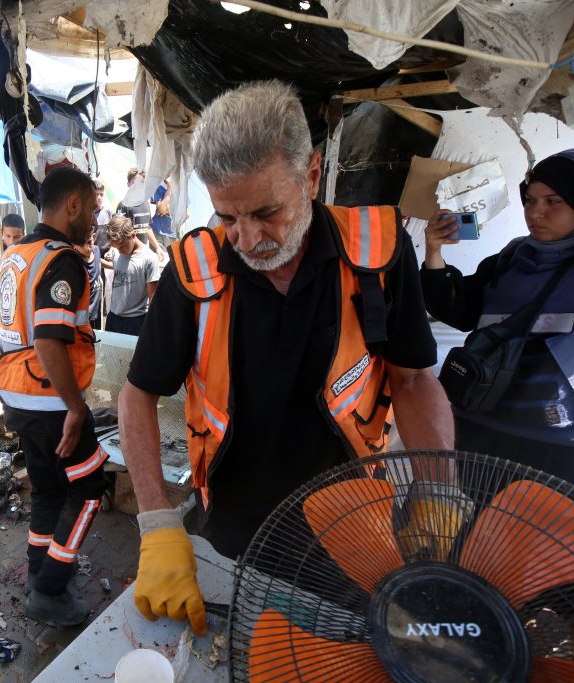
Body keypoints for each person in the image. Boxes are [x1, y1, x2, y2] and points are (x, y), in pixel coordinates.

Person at [117, 80, 454, 635]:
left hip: (355, 518)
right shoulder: (193, 269)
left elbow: (414, 379)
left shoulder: (380, 250)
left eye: (266, 212)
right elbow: (138, 395)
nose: (246, 240)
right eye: (227, 217)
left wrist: (438, 488)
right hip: (231, 524)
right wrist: (156, 523)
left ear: (313, 175)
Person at [421, 0, 574, 504]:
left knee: (554, 572)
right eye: (531, 200)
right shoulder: (514, 257)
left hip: (572, 451)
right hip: (484, 434)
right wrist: (433, 255)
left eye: (555, 202)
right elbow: (462, 310)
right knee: (480, 562)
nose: (537, 213)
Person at [0, 166, 109, 625]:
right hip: (51, 402)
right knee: (89, 489)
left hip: (17, 396)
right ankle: (50, 589)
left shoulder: (16, 254)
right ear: (73, 205)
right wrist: (77, 409)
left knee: (46, 489)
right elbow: (47, 339)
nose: (95, 220)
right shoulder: (62, 260)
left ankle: (38, 571)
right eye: (93, 210)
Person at [103, 213, 160, 336]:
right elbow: (123, 268)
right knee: (111, 355)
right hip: (113, 318)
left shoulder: (149, 259)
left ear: (133, 235)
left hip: (136, 322)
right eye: (117, 248)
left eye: (123, 246)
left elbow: (153, 300)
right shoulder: (117, 252)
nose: (120, 251)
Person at [117, 167, 167, 261]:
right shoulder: (123, 205)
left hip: (143, 255)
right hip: (129, 256)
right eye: (135, 183)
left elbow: (146, 227)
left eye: (141, 183)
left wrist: (157, 248)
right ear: (128, 184)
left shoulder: (145, 203)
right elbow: (118, 232)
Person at [75, 231, 104, 330]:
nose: (87, 247)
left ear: (94, 237)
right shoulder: (74, 261)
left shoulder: (96, 250)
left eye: (89, 242)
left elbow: (99, 261)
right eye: (82, 244)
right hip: (83, 317)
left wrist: (114, 266)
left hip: (96, 310)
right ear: (74, 244)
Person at [150, 177, 176, 249]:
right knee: (161, 259)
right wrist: (170, 187)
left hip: (173, 234)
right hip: (158, 232)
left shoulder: (180, 189)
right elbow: (161, 210)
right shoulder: (159, 187)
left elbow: (186, 214)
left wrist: (169, 209)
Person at [93, 179, 114, 257]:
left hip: (107, 256)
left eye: (101, 194)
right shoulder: (86, 214)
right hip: (93, 256)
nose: (99, 197)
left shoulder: (108, 212)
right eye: (96, 194)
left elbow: (114, 234)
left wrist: (111, 250)